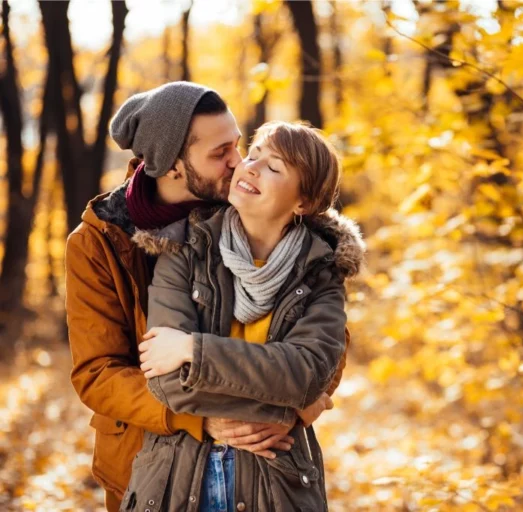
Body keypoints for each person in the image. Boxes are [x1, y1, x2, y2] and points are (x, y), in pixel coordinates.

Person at [65, 82, 349, 511]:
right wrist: (203, 419)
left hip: (266, 466)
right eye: (221, 154)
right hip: (150, 461)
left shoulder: (241, 211)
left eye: (238, 146)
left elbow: (325, 349)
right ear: (173, 164)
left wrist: (293, 408)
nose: (238, 163)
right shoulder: (98, 242)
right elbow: (97, 373)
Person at [123, 120, 365, 511]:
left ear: (303, 202)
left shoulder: (321, 271)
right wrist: (282, 403)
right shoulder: (185, 247)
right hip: (177, 479)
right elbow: (166, 382)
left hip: (277, 481)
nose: (250, 167)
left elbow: (306, 374)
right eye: (253, 155)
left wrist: (193, 349)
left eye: (274, 167)